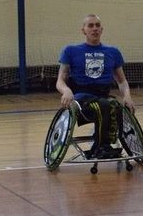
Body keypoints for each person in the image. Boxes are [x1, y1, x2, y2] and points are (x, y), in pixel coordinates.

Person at [55, 14, 135, 159]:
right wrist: (66, 90)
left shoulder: (113, 52)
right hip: (81, 97)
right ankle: (100, 147)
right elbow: (60, 80)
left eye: (97, 25)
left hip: (103, 95)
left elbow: (122, 81)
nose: (95, 29)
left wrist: (127, 96)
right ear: (83, 30)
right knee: (104, 105)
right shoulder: (71, 51)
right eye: (90, 26)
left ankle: (105, 144)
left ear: (102, 29)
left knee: (114, 105)